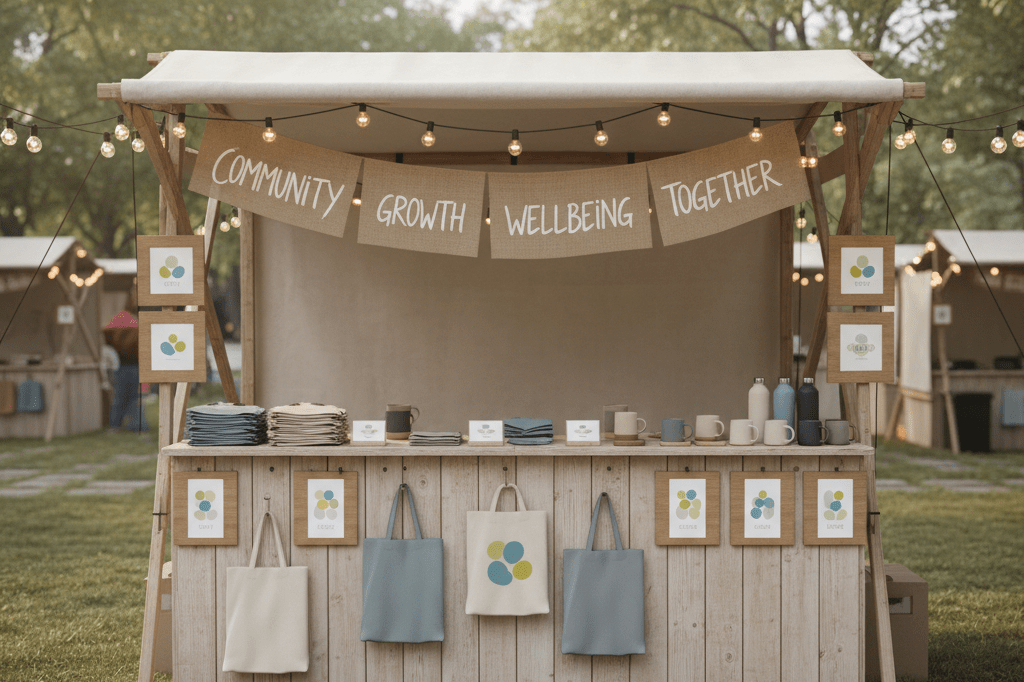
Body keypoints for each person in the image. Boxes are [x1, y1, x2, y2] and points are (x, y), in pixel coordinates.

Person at [104, 310, 150, 432]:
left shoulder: (115, 329)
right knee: (134, 397)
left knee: (121, 397)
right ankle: (137, 424)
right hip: (133, 367)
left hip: (122, 368)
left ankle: (117, 425)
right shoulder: (135, 327)